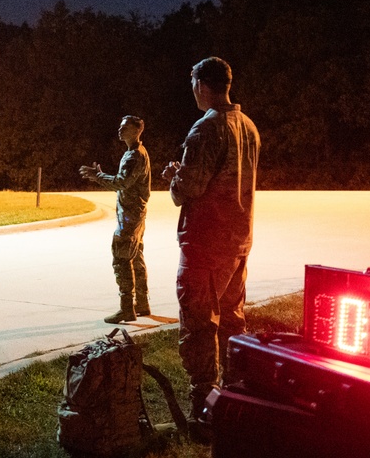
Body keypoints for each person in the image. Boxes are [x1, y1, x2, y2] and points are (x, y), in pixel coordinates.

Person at [161, 57, 260, 434]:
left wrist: (176, 180)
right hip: (238, 240)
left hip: (205, 243)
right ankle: (236, 398)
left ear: (203, 85)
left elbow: (188, 189)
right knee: (232, 322)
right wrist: (184, 174)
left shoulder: (206, 129)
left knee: (199, 327)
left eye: (193, 84)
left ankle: (204, 410)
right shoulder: (248, 126)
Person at [79, 116, 152, 324]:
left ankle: (127, 308)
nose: (119, 130)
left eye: (124, 127)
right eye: (120, 126)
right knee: (136, 256)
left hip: (130, 215)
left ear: (137, 130)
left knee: (121, 259)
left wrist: (98, 177)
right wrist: (102, 175)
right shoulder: (137, 152)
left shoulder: (134, 155)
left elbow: (122, 182)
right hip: (135, 212)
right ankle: (142, 303)